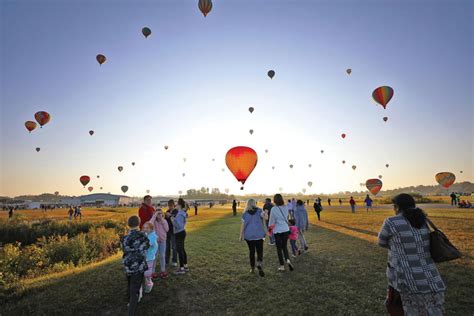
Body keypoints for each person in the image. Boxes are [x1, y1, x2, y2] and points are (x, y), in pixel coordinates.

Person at [378, 193, 446, 315]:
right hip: (431, 278)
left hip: (405, 277)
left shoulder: (391, 221)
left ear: (397, 207)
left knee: (402, 308)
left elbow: (381, 242)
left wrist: (398, 248)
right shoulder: (423, 220)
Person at [122, 215, 150, 316]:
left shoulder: (125, 237)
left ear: (129, 224)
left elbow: (124, 250)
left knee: (129, 284)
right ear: (139, 223)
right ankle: (131, 311)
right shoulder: (143, 235)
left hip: (128, 265)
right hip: (138, 266)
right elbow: (147, 246)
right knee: (135, 290)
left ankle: (129, 302)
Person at [239, 199, 266, 277]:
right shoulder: (259, 211)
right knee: (259, 250)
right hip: (259, 235)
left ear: (247, 204)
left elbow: (242, 226)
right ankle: (259, 263)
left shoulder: (245, 214)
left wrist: (241, 235)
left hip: (249, 235)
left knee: (251, 251)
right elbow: (265, 218)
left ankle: (252, 268)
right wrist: (266, 214)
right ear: (254, 203)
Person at [269, 194, 294, 272]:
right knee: (285, 247)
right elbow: (287, 218)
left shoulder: (273, 209)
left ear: (275, 200)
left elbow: (271, 222)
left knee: (279, 249)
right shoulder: (286, 207)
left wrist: (269, 231)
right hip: (286, 229)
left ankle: (282, 266)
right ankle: (288, 260)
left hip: (278, 231)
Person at [151, 208, 169, 279]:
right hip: (155, 241)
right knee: (154, 256)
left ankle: (163, 270)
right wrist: (154, 216)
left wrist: (162, 221)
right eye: (157, 214)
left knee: (162, 255)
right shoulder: (153, 222)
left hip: (163, 241)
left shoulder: (164, 221)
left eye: (160, 213)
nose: (159, 215)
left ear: (162, 214)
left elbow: (167, 229)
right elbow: (150, 223)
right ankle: (152, 272)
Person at [173, 198, 188, 274]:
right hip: (182, 232)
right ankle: (185, 266)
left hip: (179, 233)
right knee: (182, 249)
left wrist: (173, 219)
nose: (176, 205)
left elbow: (178, 225)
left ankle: (181, 268)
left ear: (179, 205)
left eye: (177, 204)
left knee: (180, 251)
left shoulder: (179, 214)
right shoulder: (183, 212)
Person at [142, 222, 158, 293]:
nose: (145, 229)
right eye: (144, 228)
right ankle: (148, 283)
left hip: (150, 257)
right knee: (146, 273)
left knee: (147, 272)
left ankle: (150, 284)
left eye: (147, 228)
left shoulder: (153, 236)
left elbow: (148, 244)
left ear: (151, 229)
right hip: (146, 257)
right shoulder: (147, 234)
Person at [165, 200, 178, 267]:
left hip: (174, 232)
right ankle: (166, 261)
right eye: (169, 205)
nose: (170, 207)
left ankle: (174, 261)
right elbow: (165, 222)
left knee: (174, 247)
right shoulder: (167, 211)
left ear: (173, 205)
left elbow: (175, 220)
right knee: (167, 247)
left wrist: (170, 216)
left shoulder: (176, 211)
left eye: (171, 205)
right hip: (167, 232)